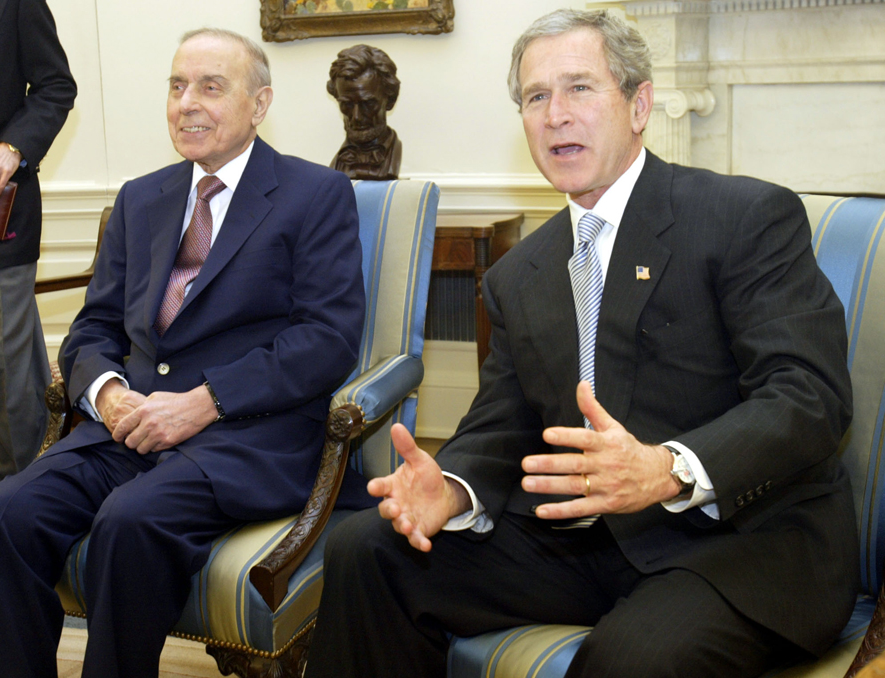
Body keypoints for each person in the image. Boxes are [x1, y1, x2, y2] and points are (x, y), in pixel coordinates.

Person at [305, 9, 858, 678]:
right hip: (581, 544)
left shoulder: (744, 217)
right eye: (536, 97)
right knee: (368, 550)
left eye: (579, 88)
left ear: (639, 104)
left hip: (737, 545)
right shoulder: (520, 273)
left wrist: (670, 468)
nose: (555, 115)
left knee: (631, 659)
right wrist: (449, 489)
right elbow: (502, 427)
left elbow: (808, 398)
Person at [0, 27, 373, 678]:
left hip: (243, 437)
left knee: (129, 524)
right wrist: (106, 393)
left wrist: (205, 402)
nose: (187, 102)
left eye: (211, 87)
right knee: (2, 514)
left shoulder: (314, 195)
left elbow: (326, 340)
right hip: (124, 433)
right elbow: (94, 326)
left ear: (260, 103)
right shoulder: (142, 198)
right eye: (177, 85)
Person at [0, 0, 76, 503]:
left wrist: (13, 147)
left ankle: (17, 511)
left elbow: (57, 86)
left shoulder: (15, 4)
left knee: (5, 377)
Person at [327, 44, 402, 180]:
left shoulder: (392, 155)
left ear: (390, 100)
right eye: (347, 105)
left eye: (367, 104)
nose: (356, 117)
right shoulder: (336, 167)